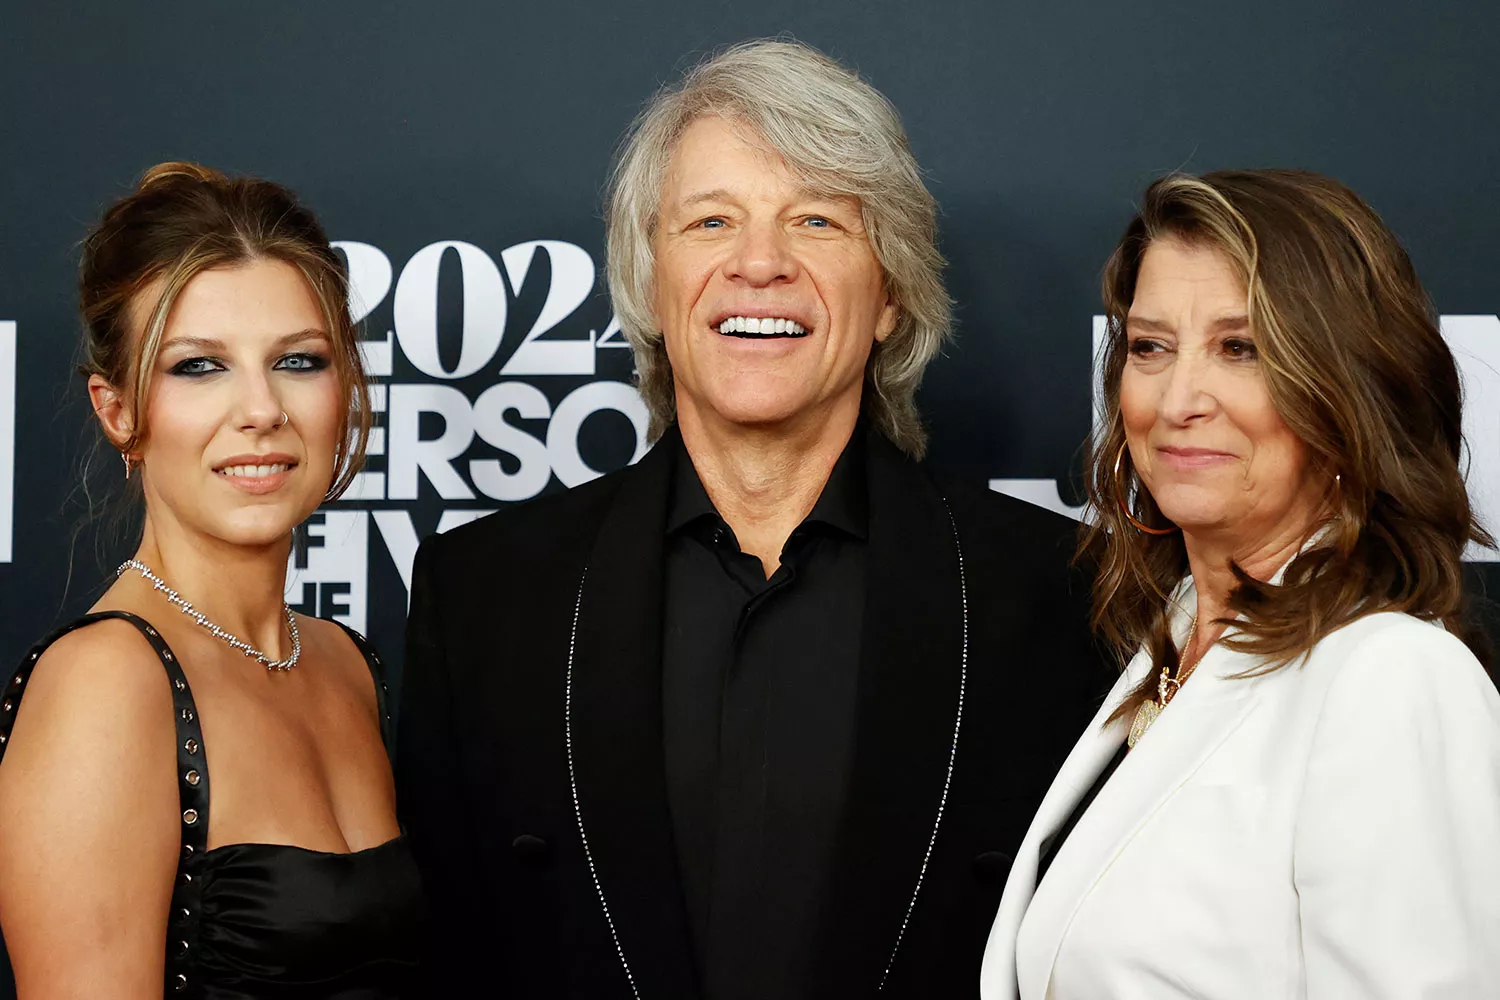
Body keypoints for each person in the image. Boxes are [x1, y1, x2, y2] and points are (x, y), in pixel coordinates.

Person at [396, 39, 1107, 1000]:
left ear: (890, 292)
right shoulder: (483, 597)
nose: (759, 264)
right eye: (711, 221)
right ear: (650, 280)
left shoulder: (1060, 593)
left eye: (815, 220)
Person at [980, 169, 1500, 999]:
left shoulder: (1392, 680)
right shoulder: (1171, 648)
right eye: (1151, 346)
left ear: (1347, 390)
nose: (1180, 398)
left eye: (1241, 348)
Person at [0, 163, 424, 998]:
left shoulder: (343, 661)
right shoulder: (108, 686)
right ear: (118, 410)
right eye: (199, 367)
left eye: (299, 361)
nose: (260, 408)